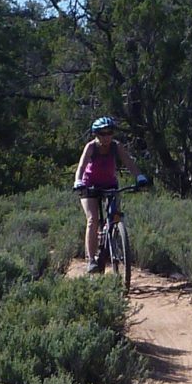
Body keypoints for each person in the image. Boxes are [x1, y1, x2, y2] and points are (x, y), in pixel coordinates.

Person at [73, 115, 127, 270]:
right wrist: (78, 181)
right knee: (93, 219)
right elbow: (81, 166)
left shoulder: (116, 147)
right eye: (103, 133)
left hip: (110, 184)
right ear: (96, 134)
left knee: (115, 216)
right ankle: (91, 260)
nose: (107, 136)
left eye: (109, 133)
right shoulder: (91, 147)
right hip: (89, 185)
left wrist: (140, 177)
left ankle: (113, 240)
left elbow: (130, 163)